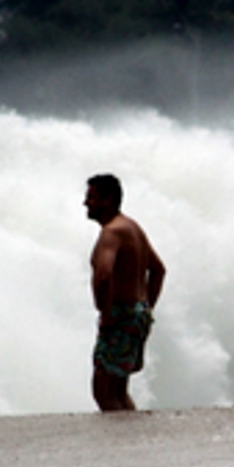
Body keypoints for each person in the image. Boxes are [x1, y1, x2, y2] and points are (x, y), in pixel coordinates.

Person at [85, 173, 166, 411]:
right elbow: (159, 270)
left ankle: (117, 444)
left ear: (108, 199)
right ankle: (130, 441)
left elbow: (104, 275)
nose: (85, 203)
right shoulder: (132, 227)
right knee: (118, 389)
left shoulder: (112, 232)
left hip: (120, 314)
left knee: (103, 389)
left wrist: (107, 313)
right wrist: (145, 309)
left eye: (91, 197)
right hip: (136, 312)